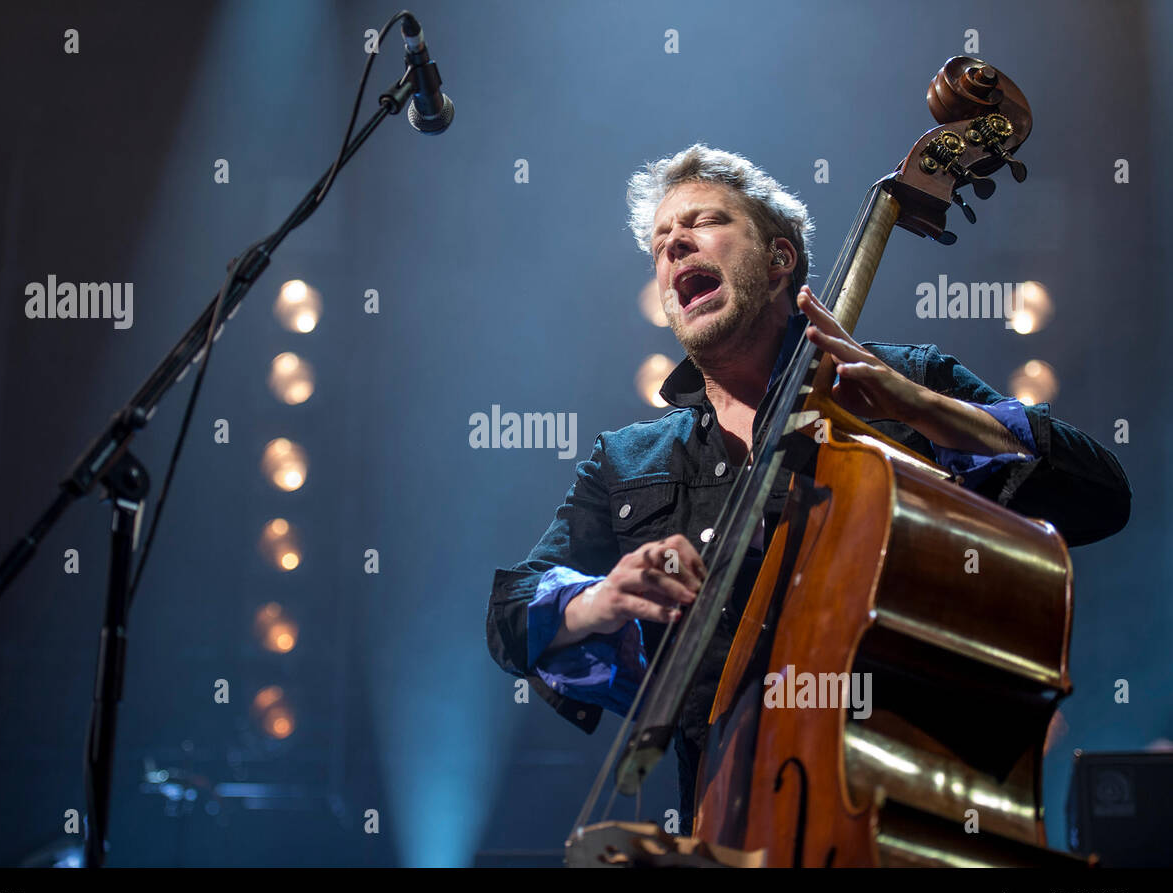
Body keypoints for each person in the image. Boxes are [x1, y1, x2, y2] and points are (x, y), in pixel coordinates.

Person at [484, 143, 1131, 835]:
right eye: (659, 243)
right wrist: (598, 598)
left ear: (779, 260)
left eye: (703, 222)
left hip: (905, 814)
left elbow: (1099, 494)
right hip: (727, 828)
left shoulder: (902, 383)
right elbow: (510, 615)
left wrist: (920, 409)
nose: (674, 244)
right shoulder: (626, 460)